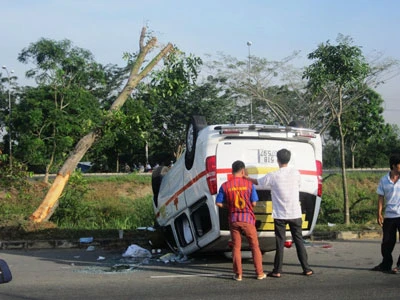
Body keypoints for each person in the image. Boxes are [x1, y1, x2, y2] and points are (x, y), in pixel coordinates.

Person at [249, 148, 313, 278]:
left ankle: (277, 270)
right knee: (299, 240)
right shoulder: (296, 174)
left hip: (280, 215)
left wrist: (247, 178)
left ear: (277, 160)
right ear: (288, 160)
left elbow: (259, 183)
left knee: (280, 242)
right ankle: (307, 268)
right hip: (295, 212)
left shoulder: (273, 175)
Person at [216, 160, 266, 281]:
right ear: (243, 171)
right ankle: (259, 273)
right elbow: (254, 202)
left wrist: (230, 207)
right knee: (254, 246)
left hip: (234, 219)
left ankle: (238, 274)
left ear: (232, 171)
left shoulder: (225, 186)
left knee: (236, 247)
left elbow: (218, 203)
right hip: (247, 219)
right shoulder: (249, 185)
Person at [371, 153, 400, 273]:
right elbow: (380, 197)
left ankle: (399, 266)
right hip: (389, 216)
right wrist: (379, 213)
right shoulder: (384, 180)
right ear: (394, 166)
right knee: (387, 242)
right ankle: (386, 264)